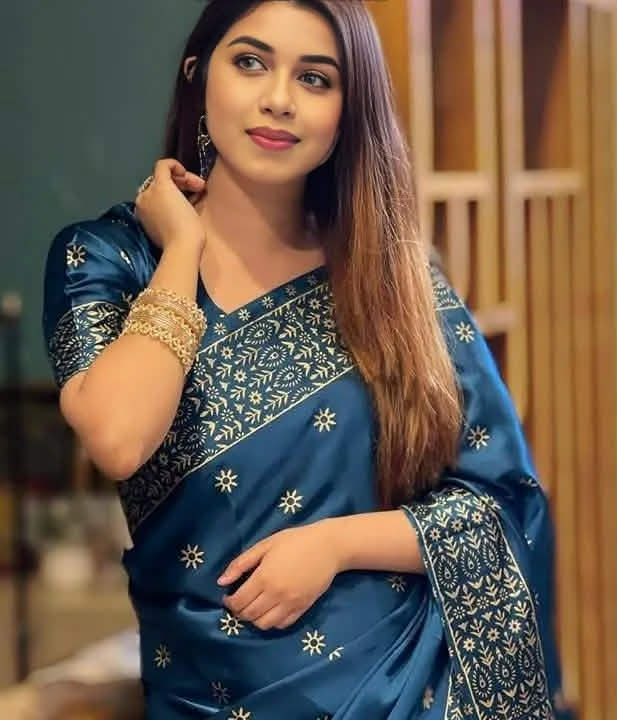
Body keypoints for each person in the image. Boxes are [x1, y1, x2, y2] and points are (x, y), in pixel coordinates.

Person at [41, 1, 570, 718]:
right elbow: (118, 437)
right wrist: (184, 251)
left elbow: (504, 505)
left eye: (315, 79)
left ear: (347, 113)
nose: (279, 99)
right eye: (250, 63)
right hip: (208, 692)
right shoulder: (109, 260)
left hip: (408, 694)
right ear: (198, 76)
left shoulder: (395, 280)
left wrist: (335, 545)